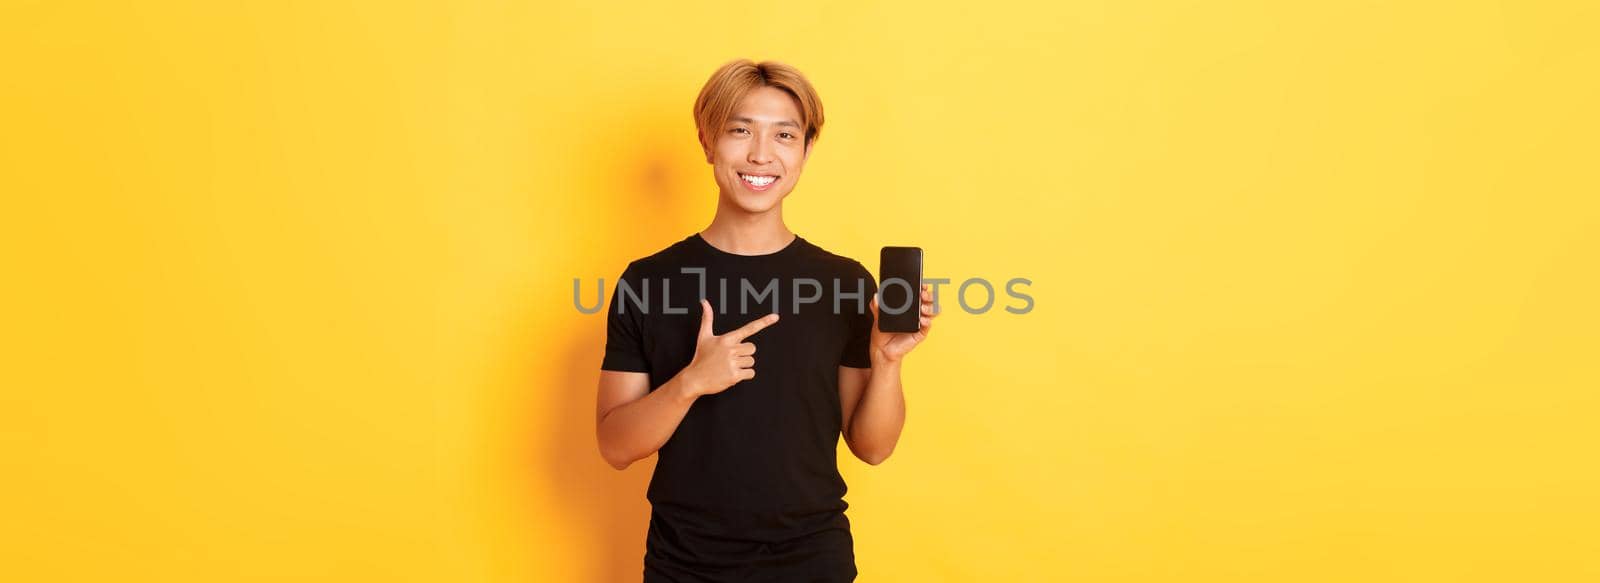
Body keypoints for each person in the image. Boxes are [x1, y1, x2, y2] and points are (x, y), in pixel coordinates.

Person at [595, 59, 938, 582]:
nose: (761, 154)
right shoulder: (647, 282)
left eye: (784, 135)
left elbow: (872, 448)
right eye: (740, 131)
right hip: (685, 563)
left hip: (812, 560)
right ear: (708, 142)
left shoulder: (845, 283)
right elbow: (615, 446)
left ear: (804, 151)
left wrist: (886, 362)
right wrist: (691, 382)